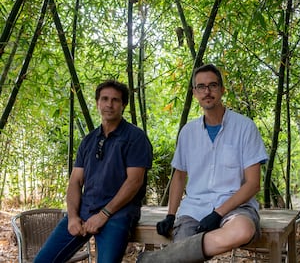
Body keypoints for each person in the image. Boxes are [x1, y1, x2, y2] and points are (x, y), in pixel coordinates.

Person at [137, 63, 268, 262]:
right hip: (194, 209)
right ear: (195, 93)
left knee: (242, 230)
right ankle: (173, 255)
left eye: (213, 85)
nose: (207, 91)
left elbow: (253, 184)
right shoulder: (188, 133)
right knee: (186, 257)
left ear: (222, 90)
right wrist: (171, 215)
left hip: (235, 207)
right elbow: (179, 176)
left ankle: (159, 259)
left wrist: (218, 213)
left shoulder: (245, 127)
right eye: (201, 87)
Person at [35, 80, 153, 263]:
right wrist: (73, 217)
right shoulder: (89, 140)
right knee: (43, 260)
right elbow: (75, 181)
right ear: (97, 103)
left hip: (117, 213)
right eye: (104, 99)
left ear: (123, 105)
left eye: (115, 100)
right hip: (85, 209)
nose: (109, 104)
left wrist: (104, 214)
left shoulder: (135, 137)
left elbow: (134, 182)